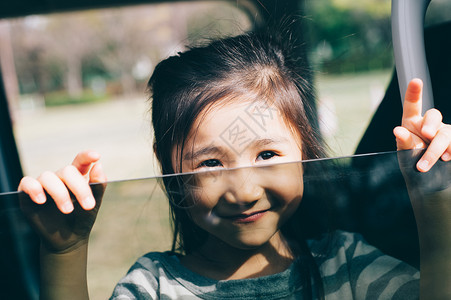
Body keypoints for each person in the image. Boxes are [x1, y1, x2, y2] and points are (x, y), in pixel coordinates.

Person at [18, 30, 451, 300]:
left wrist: (437, 204)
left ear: (305, 150)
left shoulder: (348, 264)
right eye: (209, 164)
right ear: (171, 173)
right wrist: (66, 251)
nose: (243, 190)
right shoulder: (153, 287)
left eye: (267, 155)